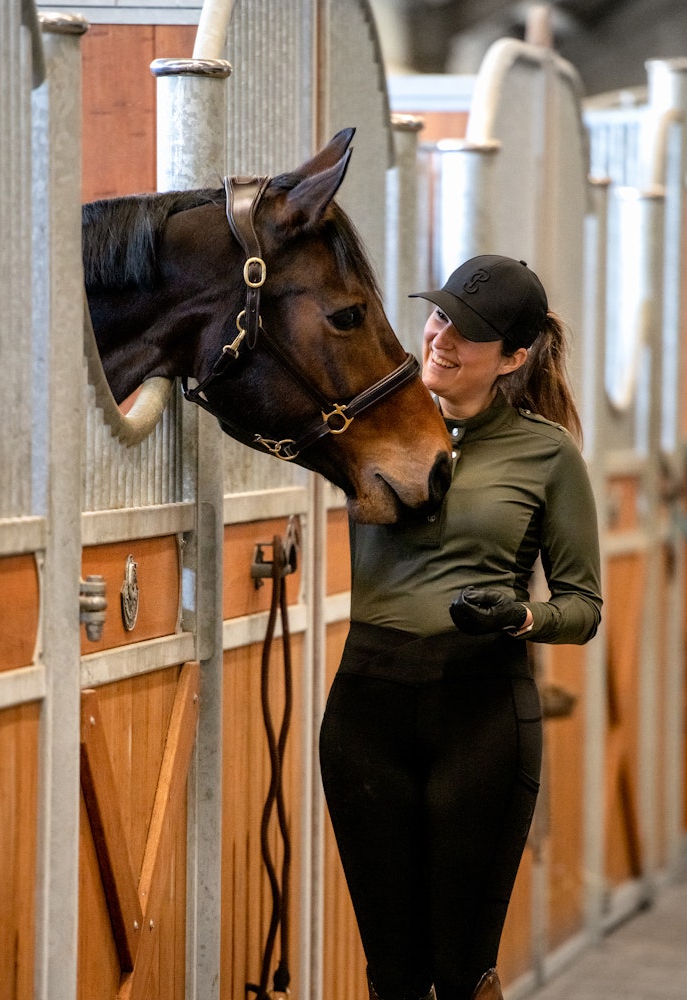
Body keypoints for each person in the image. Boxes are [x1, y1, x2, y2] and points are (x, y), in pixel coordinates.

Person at [319, 255, 602, 1000]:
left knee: (460, 965)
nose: (441, 337)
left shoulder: (548, 454)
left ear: (513, 358)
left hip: (478, 715)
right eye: (440, 315)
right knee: (393, 972)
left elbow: (583, 606)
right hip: (365, 710)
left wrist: (522, 616)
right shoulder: (369, 421)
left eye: (469, 332)